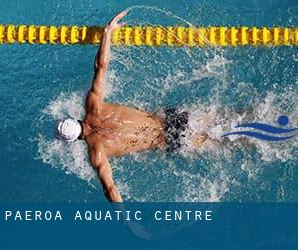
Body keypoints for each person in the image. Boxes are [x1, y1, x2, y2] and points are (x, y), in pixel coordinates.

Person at [56, 11, 208, 202]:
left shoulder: (97, 152)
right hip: (170, 118)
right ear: (74, 119)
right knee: (224, 118)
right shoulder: (93, 105)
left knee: (225, 141)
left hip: (169, 140)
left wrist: (128, 221)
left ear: (74, 140)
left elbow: (110, 189)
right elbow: (101, 66)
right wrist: (107, 33)